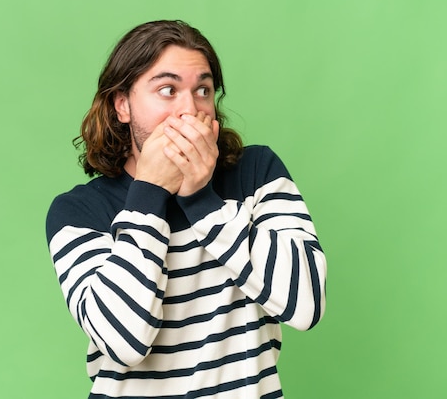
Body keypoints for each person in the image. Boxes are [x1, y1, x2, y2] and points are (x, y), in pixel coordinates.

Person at [46, 20, 327, 398]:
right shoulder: (79, 212)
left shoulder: (256, 174)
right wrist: (148, 193)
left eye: (203, 90)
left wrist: (202, 200)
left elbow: (305, 304)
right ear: (122, 104)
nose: (190, 109)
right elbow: (124, 343)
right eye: (167, 90)